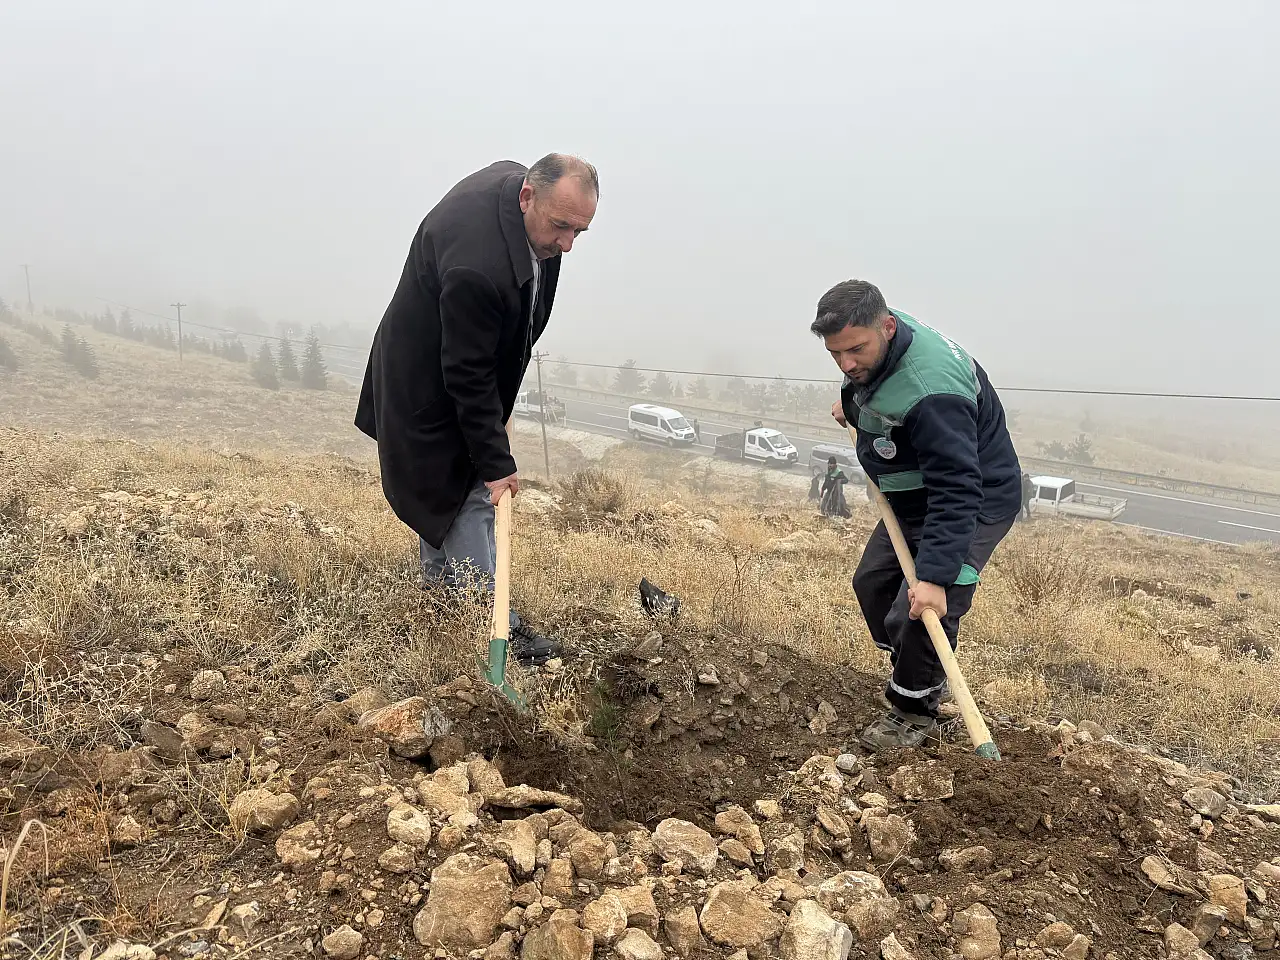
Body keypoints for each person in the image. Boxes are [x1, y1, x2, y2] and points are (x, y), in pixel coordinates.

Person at [355, 154, 599, 666]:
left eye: (580, 231)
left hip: (451, 362)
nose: (567, 245)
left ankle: (442, 598)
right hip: (427, 382)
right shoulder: (477, 268)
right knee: (468, 493)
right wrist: (496, 462)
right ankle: (495, 624)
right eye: (561, 227)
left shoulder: (517, 190)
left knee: (448, 490)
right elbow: (467, 374)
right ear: (527, 197)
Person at [814, 279, 1021, 750]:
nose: (846, 364)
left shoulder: (933, 394)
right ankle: (922, 672)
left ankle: (914, 710)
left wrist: (934, 577)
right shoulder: (876, 336)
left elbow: (957, 488)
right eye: (835, 355)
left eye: (855, 351)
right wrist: (854, 406)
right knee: (874, 583)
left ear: (887, 327)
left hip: (969, 502)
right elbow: (880, 386)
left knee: (924, 606)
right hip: (915, 493)